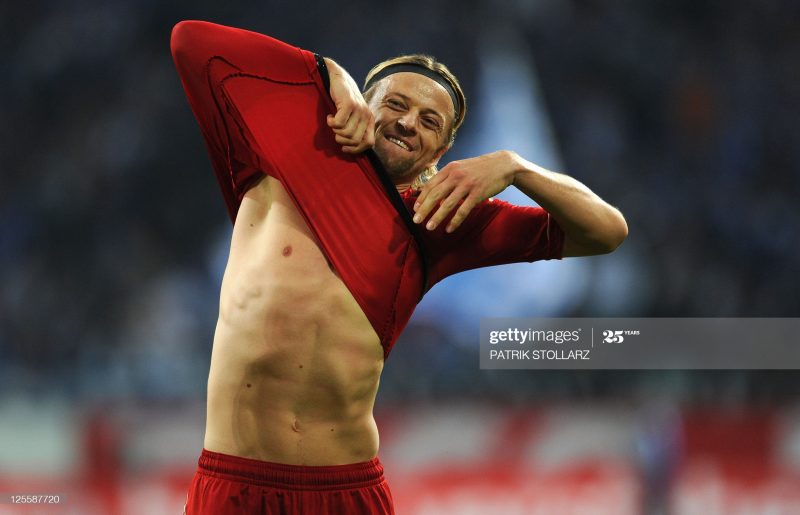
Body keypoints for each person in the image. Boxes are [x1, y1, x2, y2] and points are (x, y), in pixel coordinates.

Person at [170, 20, 627, 515]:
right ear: (363, 103)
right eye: (395, 104)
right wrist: (330, 74)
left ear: (441, 153)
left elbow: (606, 231)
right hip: (235, 485)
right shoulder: (280, 151)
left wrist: (516, 167)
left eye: (431, 122)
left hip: (345, 491)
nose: (409, 123)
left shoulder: (439, 217)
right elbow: (189, 42)